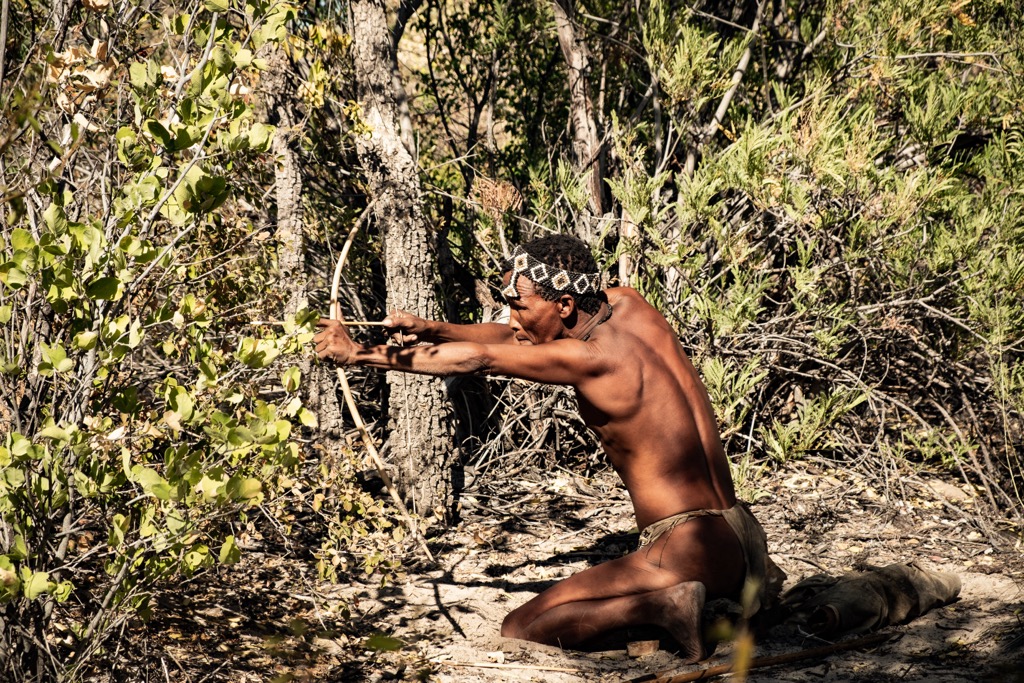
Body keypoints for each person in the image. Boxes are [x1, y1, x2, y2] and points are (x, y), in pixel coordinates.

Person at [314, 234, 783, 661]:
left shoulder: (592, 359)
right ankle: (690, 600)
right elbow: (513, 338)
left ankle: (665, 605)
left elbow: (483, 358)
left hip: (689, 549)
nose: (511, 318)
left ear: (562, 304)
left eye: (519, 305)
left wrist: (359, 354)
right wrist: (434, 328)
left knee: (521, 626)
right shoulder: (627, 305)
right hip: (740, 533)